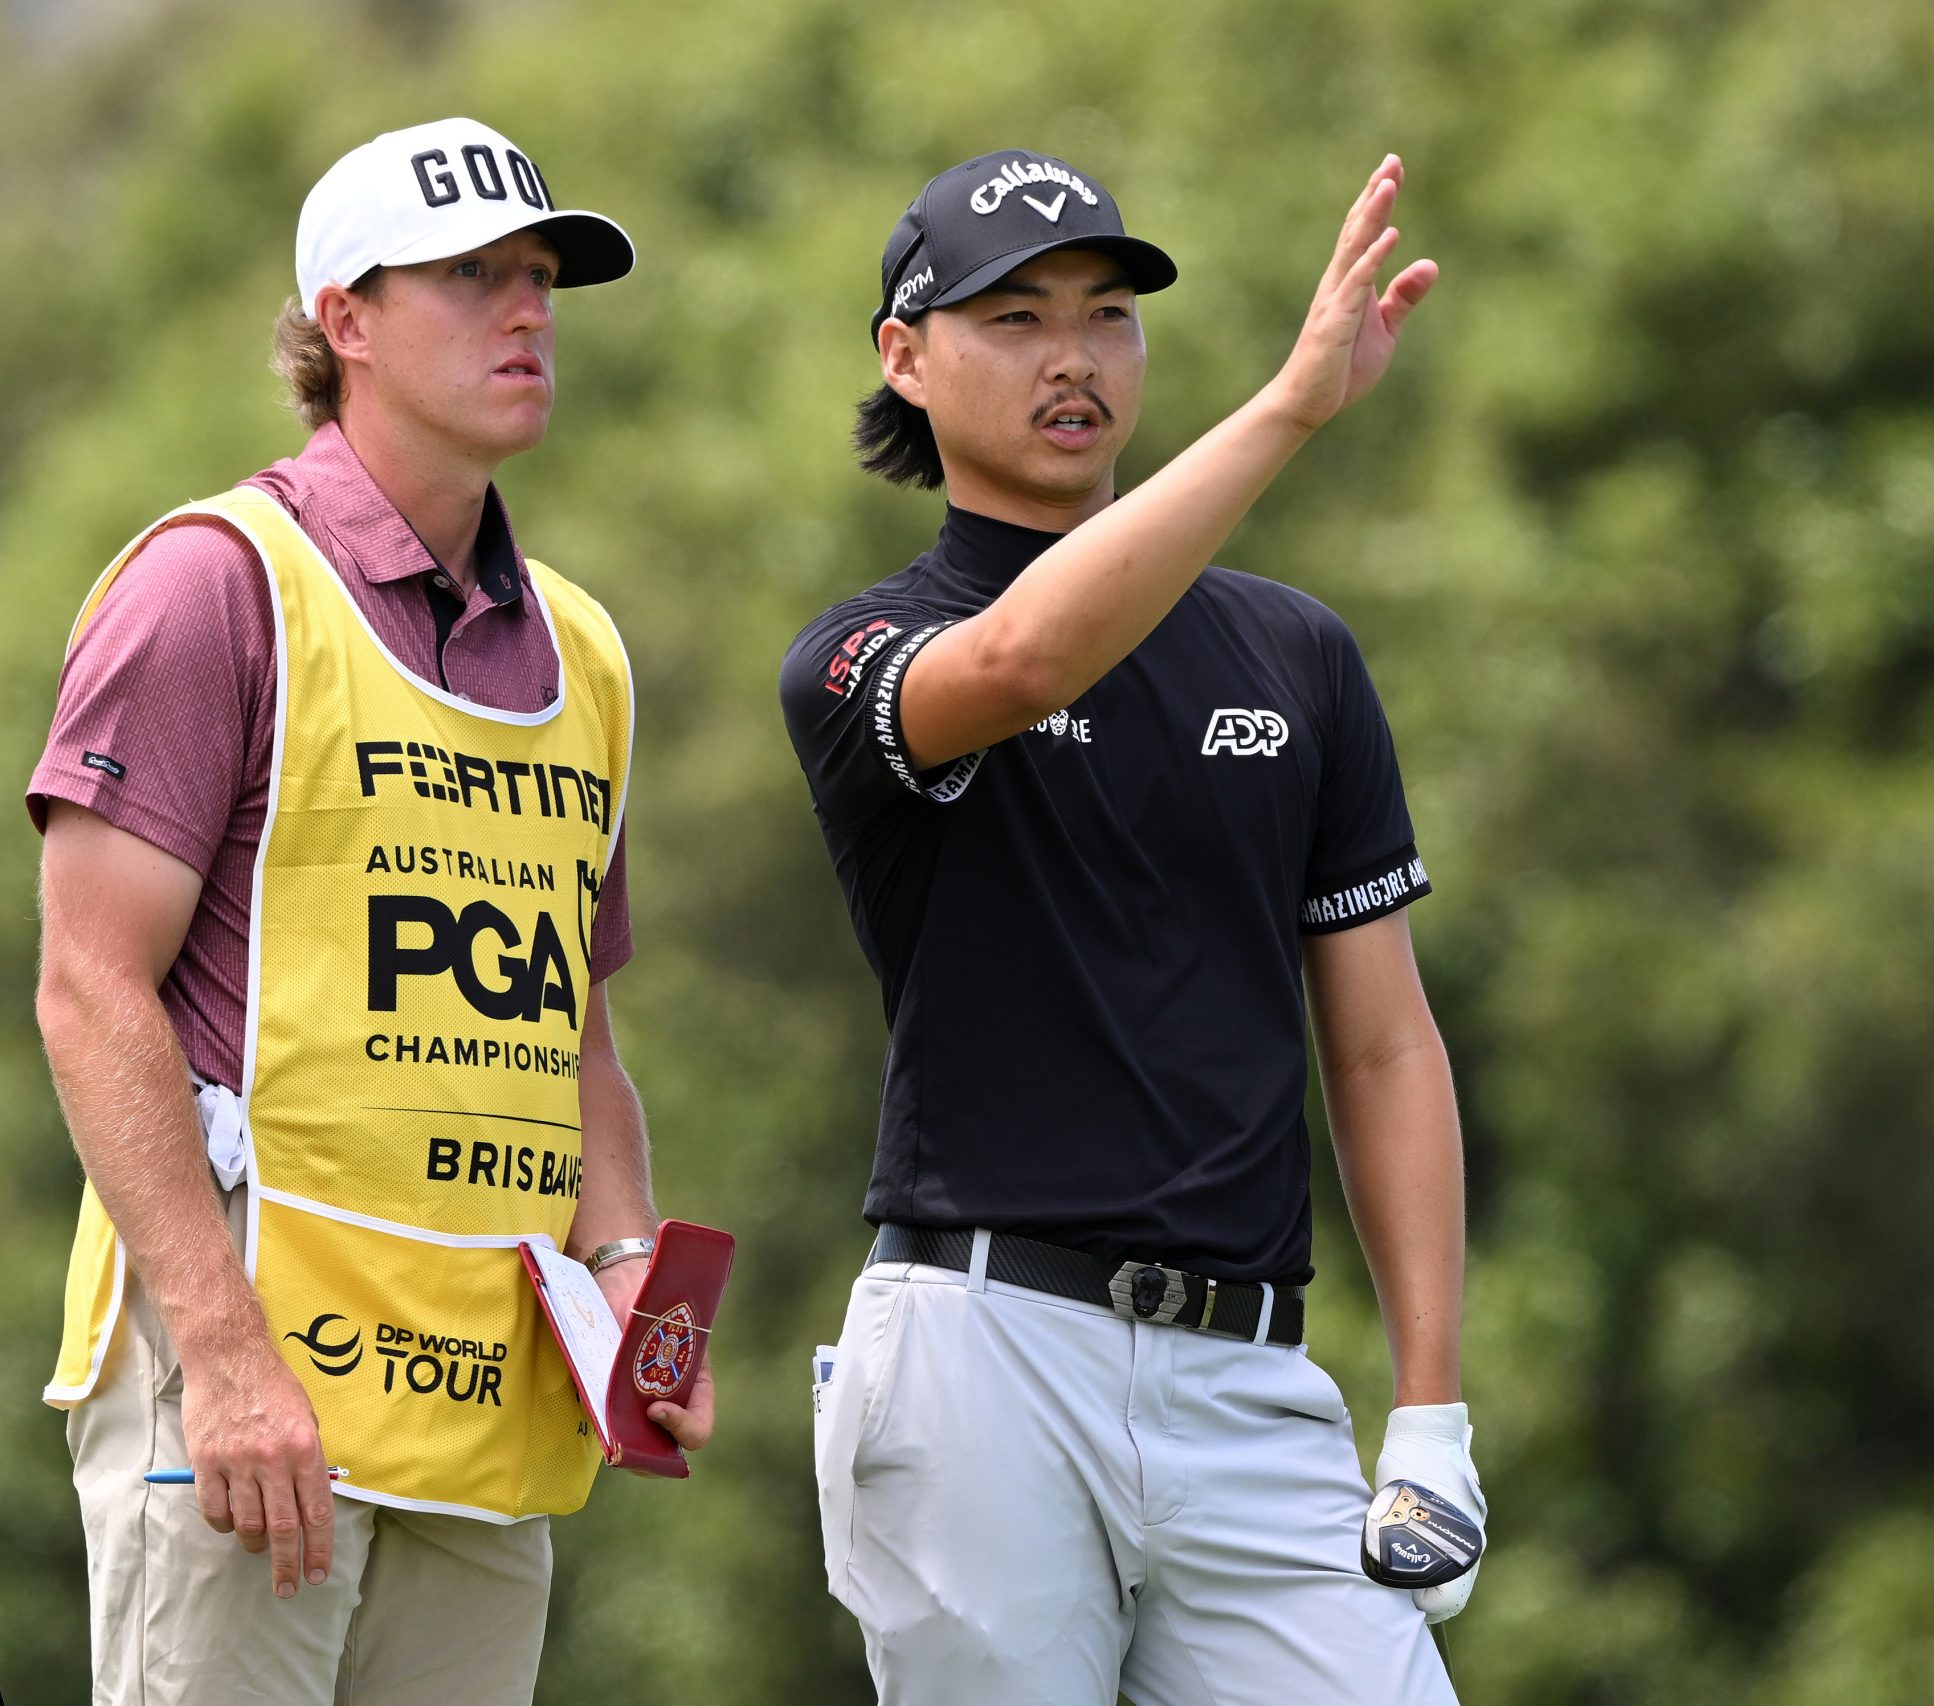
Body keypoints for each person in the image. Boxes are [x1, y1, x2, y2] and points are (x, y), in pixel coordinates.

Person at [30, 116, 712, 1705]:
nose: (530, 309)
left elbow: (573, 1020)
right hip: (250, 1416)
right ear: (343, 318)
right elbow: (86, 987)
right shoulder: (215, 583)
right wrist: (219, 1349)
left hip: (484, 1426)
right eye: (474, 275)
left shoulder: (584, 652)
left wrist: (628, 1272)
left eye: (542, 275)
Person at [782, 147, 1477, 1704]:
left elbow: (1378, 1046)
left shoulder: (1297, 656)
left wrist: (1429, 1410)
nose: (1074, 357)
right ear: (903, 356)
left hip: (1251, 1383)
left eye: (1107, 316)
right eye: (1015, 317)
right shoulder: (863, 652)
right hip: (980, 1359)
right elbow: (1024, 660)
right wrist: (1290, 408)